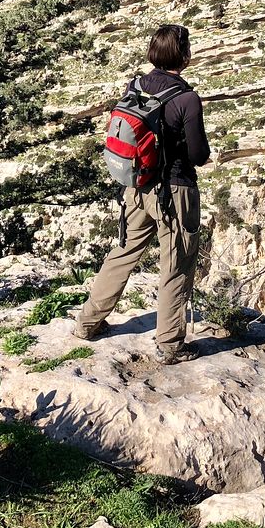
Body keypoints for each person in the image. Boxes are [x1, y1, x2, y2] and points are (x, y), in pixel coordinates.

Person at [74, 24, 210, 364]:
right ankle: (170, 344)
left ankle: (87, 323)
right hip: (176, 191)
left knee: (123, 252)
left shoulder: (135, 86)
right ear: (184, 55)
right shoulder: (187, 98)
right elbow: (197, 155)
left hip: (137, 188)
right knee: (176, 263)